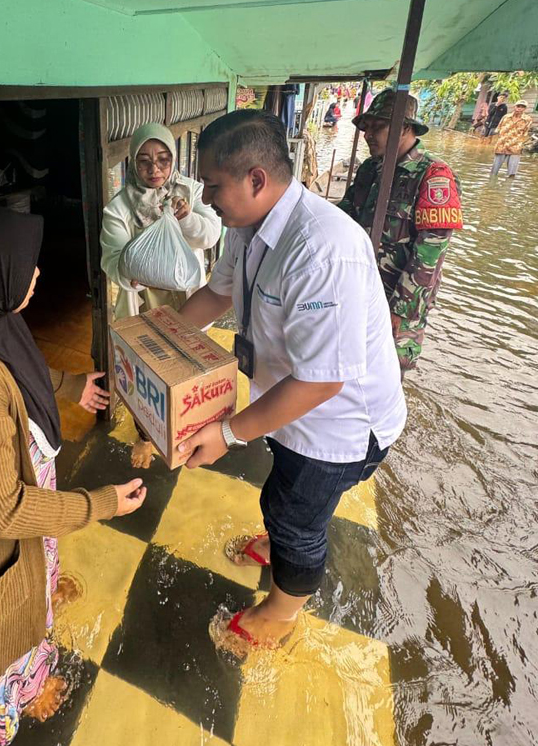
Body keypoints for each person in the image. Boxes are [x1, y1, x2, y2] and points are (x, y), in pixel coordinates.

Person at [0, 205, 147, 744]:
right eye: (23, 267)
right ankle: (23, 697)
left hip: (13, 528)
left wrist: (65, 385)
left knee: (27, 594)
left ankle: (33, 639)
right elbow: (1, 511)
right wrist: (100, 502)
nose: (37, 275)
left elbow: (18, 365)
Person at [175, 110, 407, 654]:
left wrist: (230, 434)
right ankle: (283, 545)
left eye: (213, 185)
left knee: (296, 514)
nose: (207, 198)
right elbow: (218, 295)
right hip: (288, 405)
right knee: (283, 492)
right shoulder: (246, 225)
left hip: (338, 426)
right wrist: (153, 339)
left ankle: (281, 613)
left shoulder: (324, 247)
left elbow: (322, 383)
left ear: (256, 179)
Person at [101, 122, 221, 468]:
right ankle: (145, 434)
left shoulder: (191, 192)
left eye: (163, 160)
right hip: (143, 302)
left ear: (174, 160)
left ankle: (188, 428)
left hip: (188, 300)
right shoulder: (119, 207)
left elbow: (211, 235)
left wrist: (184, 219)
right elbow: (112, 259)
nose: (155, 170)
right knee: (145, 374)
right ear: (132, 163)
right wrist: (134, 271)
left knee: (188, 366)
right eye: (144, 162)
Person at [337, 88, 463, 375]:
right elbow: (344, 217)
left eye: (377, 126)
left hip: (398, 297)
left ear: (405, 128)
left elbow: (429, 255)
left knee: (387, 371)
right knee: (350, 365)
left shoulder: (433, 176)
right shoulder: (371, 168)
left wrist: (400, 311)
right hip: (357, 288)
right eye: (366, 127)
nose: (368, 134)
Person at [491, 99, 532, 178]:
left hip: (515, 147)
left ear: (525, 109)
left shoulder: (527, 119)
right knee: (494, 171)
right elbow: (498, 129)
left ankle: (508, 188)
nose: (519, 108)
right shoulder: (506, 117)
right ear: (514, 107)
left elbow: (525, 134)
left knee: (511, 174)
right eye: (518, 106)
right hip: (501, 146)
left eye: (522, 107)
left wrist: (520, 144)